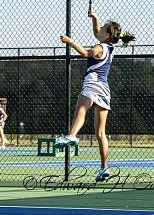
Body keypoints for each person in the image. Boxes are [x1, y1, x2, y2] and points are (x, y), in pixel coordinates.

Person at [57, 11, 135, 181]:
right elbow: (96, 31)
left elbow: (85, 53)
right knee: (101, 133)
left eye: (103, 28)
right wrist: (94, 18)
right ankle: (104, 168)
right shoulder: (109, 46)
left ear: (107, 35)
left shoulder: (99, 47)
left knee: (81, 110)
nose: (99, 29)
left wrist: (70, 41)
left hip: (92, 84)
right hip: (105, 89)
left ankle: (72, 136)